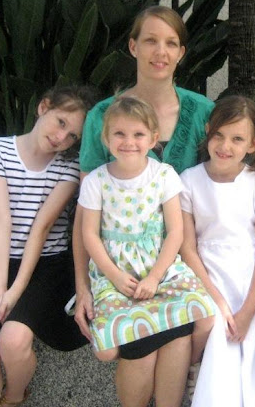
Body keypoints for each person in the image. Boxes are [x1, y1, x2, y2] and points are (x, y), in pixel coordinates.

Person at [0, 85, 97, 407]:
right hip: (1, 259)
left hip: (46, 265)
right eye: (60, 122)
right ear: (43, 107)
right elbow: (0, 218)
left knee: (13, 340)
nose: (62, 137)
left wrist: (15, 292)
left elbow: (41, 228)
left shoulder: (68, 167)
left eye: (72, 135)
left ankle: (13, 397)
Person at [72, 5, 214, 340]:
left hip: (193, 259)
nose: (160, 51)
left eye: (170, 43)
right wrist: (82, 287)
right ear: (133, 46)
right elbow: (85, 215)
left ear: (181, 53)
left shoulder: (203, 112)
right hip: (121, 272)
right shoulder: (102, 116)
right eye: (151, 40)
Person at [79, 96, 215, 407]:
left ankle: (193, 369)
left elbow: (175, 232)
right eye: (119, 134)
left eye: (138, 134)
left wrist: (155, 276)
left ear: (153, 139)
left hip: (159, 268)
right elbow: (89, 235)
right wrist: (114, 275)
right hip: (116, 270)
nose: (129, 142)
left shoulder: (164, 175)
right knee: (106, 350)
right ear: (106, 138)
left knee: (202, 310)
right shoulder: (97, 180)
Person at [179, 96, 255, 407]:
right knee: (215, 329)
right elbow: (187, 248)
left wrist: (247, 310)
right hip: (206, 277)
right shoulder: (189, 181)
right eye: (219, 135)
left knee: (249, 353)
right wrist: (218, 300)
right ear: (208, 131)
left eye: (237, 139)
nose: (225, 146)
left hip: (250, 283)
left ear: (253, 144)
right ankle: (195, 372)